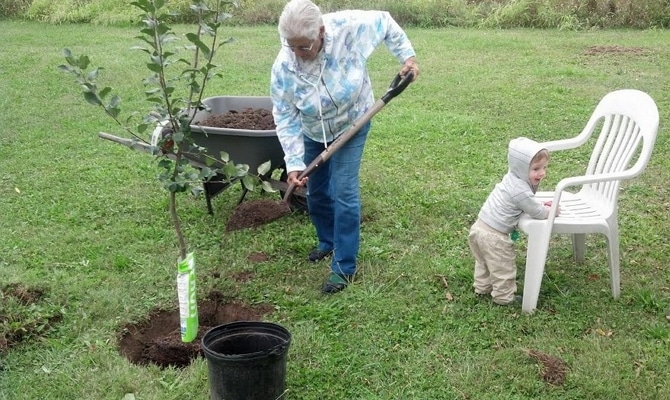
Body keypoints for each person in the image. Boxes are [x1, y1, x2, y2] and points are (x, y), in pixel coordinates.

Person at [270, 0, 419, 294]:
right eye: (292, 46)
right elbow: (285, 114)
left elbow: (385, 22)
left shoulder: (348, 28)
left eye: (304, 47)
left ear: (321, 32)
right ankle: (327, 241)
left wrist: (408, 58)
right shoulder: (284, 66)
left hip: (353, 123)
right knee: (317, 191)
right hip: (313, 131)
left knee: (343, 190)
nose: (298, 54)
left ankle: (344, 266)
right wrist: (294, 162)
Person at [467, 137, 558, 305]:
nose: (542, 173)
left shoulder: (511, 178)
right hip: (494, 237)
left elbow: (526, 202)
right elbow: (536, 211)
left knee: (484, 262)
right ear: (522, 169)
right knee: (503, 268)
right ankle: (504, 298)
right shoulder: (520, 189)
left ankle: (482, 287)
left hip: (479, 228)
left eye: (544, 167)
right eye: (536, 169)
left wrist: (536, 203)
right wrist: (550, 211)